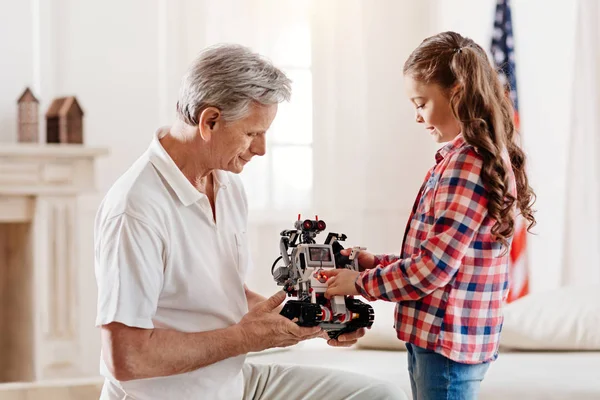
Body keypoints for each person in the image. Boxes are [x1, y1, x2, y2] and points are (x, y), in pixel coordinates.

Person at [94, 43, 405, 400]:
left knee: (381, 396)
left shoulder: (227, 184)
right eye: (251, 133)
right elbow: (126, 357)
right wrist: (245, 338)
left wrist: (314, 320)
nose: (261, 149)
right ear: (209, 121)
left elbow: (224, 295)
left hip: (232, 382)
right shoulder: (136, 209)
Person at [322, 31, 536, 400]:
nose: (417, 117)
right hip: (441, 340)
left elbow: (434, 270)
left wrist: (357, 283)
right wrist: (371, 264)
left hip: (445, 344)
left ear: (457, 92)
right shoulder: (465, 160)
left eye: (421, 103)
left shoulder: (467, 164)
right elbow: (439, 260)